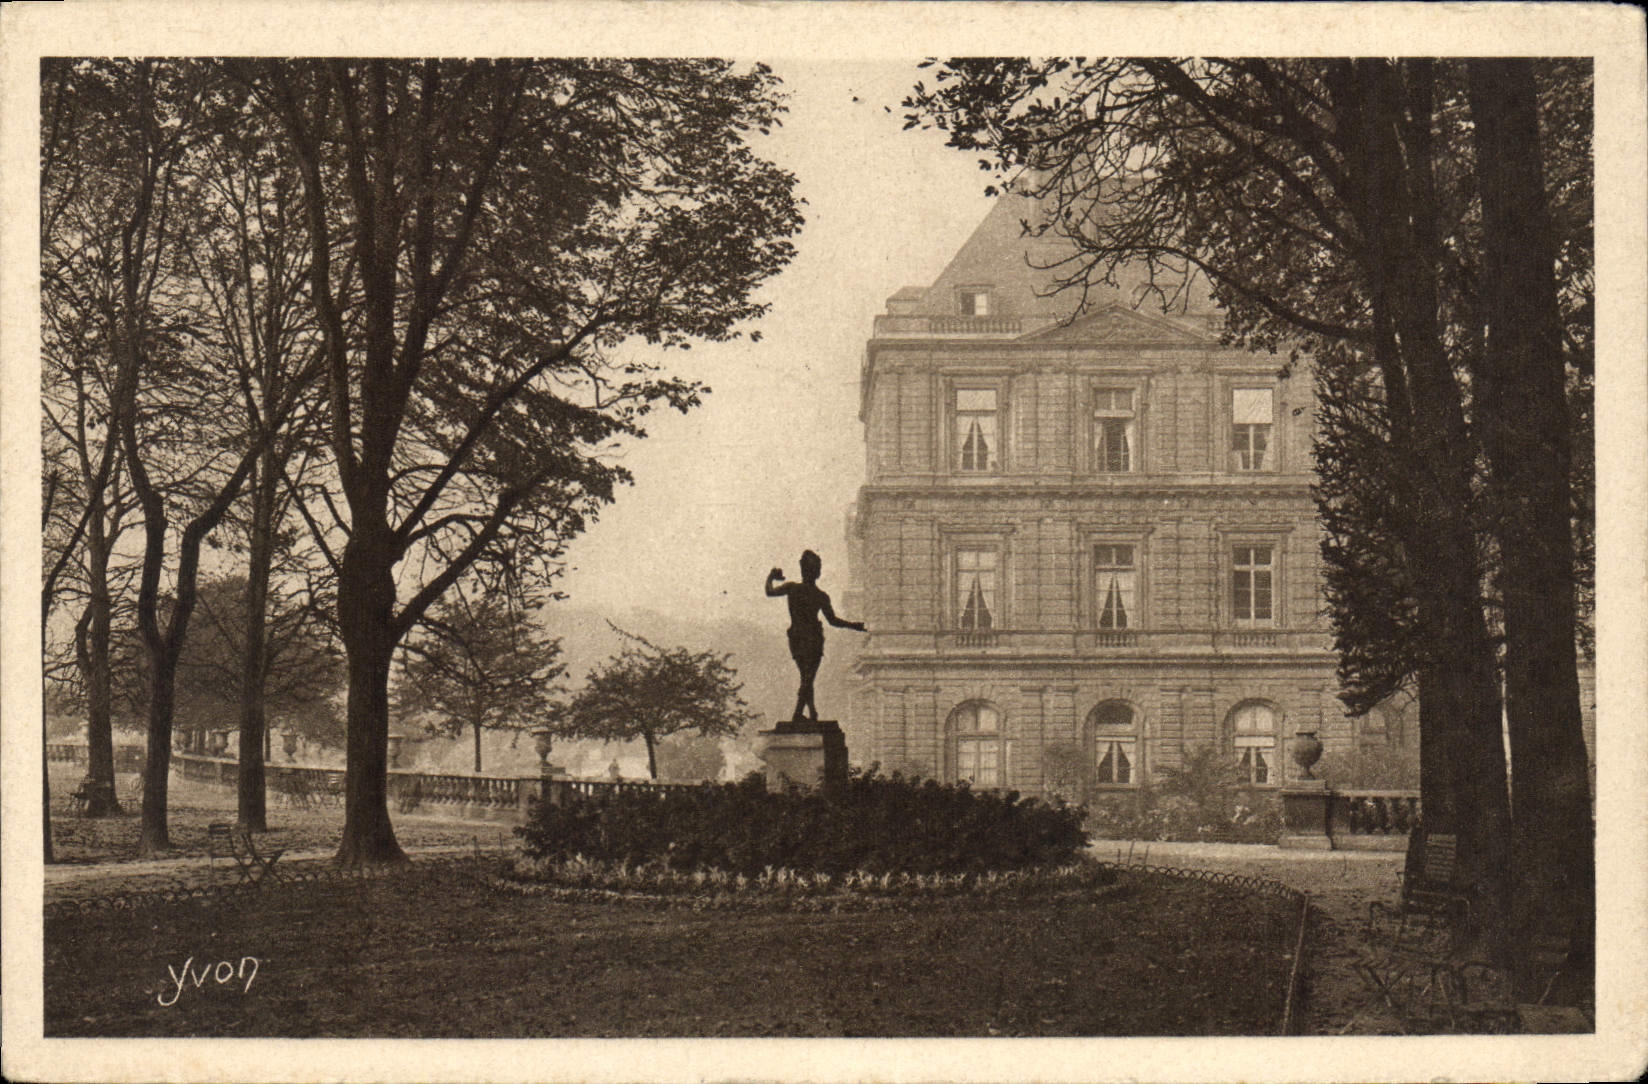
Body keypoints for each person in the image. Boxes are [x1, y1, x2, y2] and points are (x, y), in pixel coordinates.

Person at [765, 550, 866, 723]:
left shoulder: (792, 588)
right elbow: (833, 621)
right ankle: (799, 714)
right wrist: (855, 626)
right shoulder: (820, 596)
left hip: (796, 637)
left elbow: (769, 591)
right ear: (817, 572)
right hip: (813, 639)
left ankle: (812, 713)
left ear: (803, 570)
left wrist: (771, 576)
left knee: (806, 676)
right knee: (808, 677)